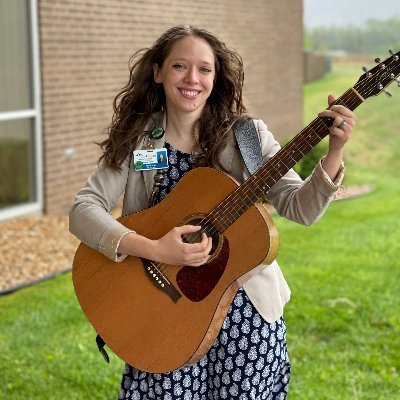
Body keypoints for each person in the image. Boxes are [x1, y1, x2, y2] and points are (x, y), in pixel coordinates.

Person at [69, 25, 356, 400]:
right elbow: (83, 208)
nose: (192, 79)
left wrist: (334, 152)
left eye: (204, 69)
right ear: (158, 72)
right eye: (180, 67)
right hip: (163, 307)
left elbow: (298, 207)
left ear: (215, 77)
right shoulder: (138, 141)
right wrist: (154, 249)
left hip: (243, 309)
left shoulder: (247, 137)